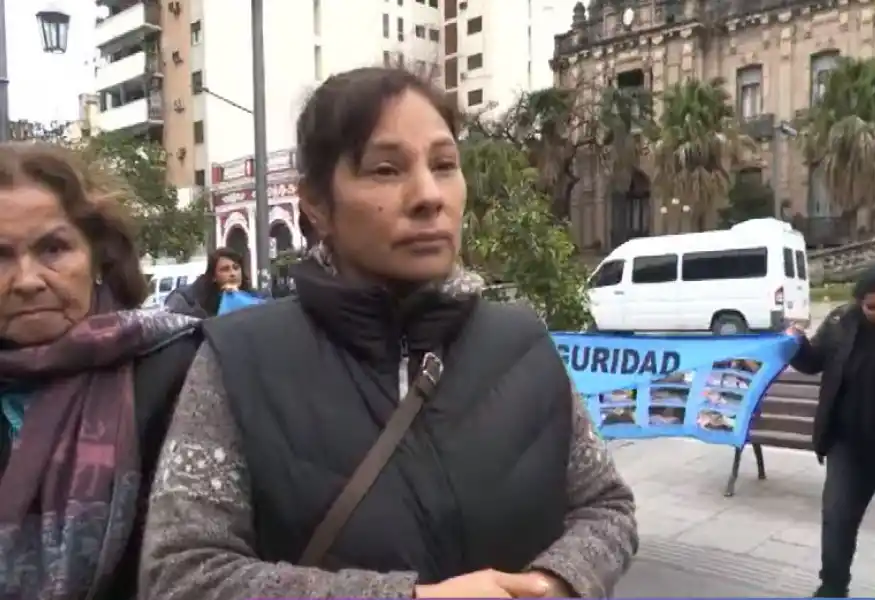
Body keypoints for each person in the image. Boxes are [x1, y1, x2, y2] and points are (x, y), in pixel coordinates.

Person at [140, 67, 637, 599]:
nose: (429, 195)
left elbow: (607, 506)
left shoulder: (522, 345)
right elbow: (180, 574)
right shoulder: (238, 360)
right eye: (385, 169)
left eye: (445, 165)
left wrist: (553, 583)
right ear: (315, 204)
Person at [0, 142, 202, 599]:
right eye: (0, 256)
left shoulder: (181, 369)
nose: (28, 280)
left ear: (96, 258)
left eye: (53, 248)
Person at [789, 260, 875, 597]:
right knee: (837, 521)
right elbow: (812, 363)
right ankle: (832, 588)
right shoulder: (842, 321)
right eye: (872, 307)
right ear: (859, 304)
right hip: (850, 446)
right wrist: (795, 342)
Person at [164, 247, 252, 317]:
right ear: (213, 276)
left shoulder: (251, 296)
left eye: (236, 268)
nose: (232, 273)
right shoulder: (188, 300)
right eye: (225, 269)